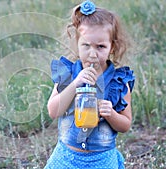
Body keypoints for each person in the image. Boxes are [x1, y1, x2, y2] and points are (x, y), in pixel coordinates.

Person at [44, 0, 135, 168]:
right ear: (77, 44)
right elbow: (53, 110)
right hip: (67, 157)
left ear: (112, 47)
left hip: (101, 159)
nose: (92, 54)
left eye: (100, 46)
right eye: (86, 45)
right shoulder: (68, 74)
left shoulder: (118, 82)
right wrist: (75, 84)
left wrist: (111, 114)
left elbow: (126, 124)